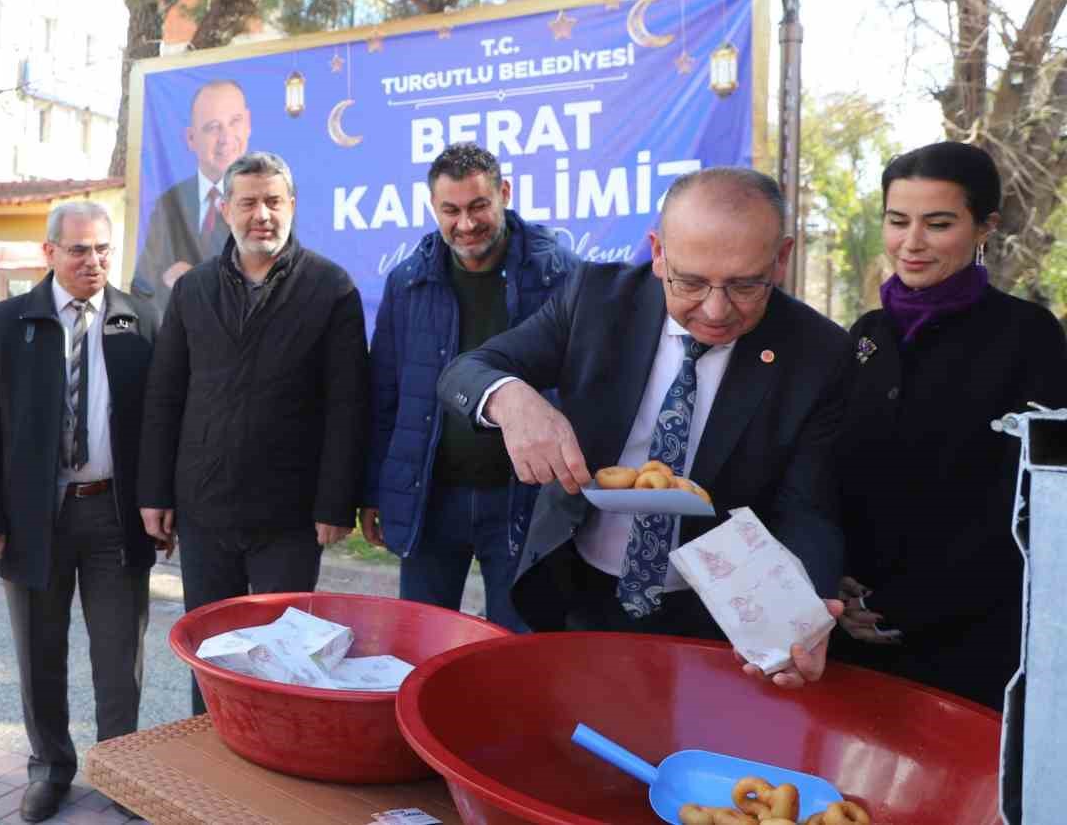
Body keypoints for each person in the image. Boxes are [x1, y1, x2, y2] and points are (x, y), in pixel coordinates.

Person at [438, 167, 851, 688]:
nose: (716, 309)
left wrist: (803, 616)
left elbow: (809, 508)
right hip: (576, 589)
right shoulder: (595, 299)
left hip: (717, 613)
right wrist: (509, 398)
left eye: (747, 284)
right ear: (658, 252)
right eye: (691, 281)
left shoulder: (817, 353)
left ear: (782, 258)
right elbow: (465, 372)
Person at [829, 141, 1067, 709]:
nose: (910, 244)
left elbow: (1032, 499)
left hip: (970, 639)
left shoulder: (1028, 337)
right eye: (896, 221)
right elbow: (834, 471)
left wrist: (910, 606)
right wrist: (834, 581)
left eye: (937, 224)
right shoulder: (864, 336)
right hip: (850, 628)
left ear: (985, 225)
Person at [139, 151, 369, 713]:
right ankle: (210, 769)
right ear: (225, 209)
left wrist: (337, 502)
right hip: (204, 509)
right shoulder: (193, 290)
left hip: (288, 518)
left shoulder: (331, 288)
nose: (260, 214)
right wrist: (154, 494)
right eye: (248, 202)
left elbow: (349, 406)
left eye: (272, 201)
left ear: (291, 205)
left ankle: (273, 777)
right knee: (211, 656)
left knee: (284, 661)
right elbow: (165, 397)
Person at [0, 201, 157, 823]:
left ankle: (120, 772)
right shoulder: (6, 322)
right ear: (48, 253)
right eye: (78, 250)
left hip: (115, 519)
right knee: (39, 656)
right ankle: (50, 769)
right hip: (33, 521)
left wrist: (162, 507)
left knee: (118, 662)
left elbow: (161, 421)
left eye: (102, 249)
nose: (93, 262)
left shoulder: (141, 319)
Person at [363, 143, 576, 631]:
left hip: (523, 500)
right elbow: (386, 395)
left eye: (479, 206)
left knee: (518, 653)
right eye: (451, 210)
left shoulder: (560, 275)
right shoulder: (408, 281)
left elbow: (584, 388)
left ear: (504, 193)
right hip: (431, 496)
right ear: (434, 208)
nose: (466, 223)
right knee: (420, 647)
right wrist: (374, 490)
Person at [130, 79, 251, 319]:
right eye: (212, 127)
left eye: (234, 122)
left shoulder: (268, 204)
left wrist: (196, 284)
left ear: (248, 124)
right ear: (191, 138)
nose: (225, 138)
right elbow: (142, 289)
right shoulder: (169, 203)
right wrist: (171, 287)